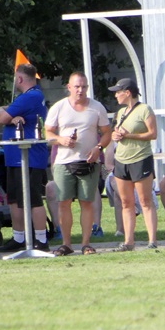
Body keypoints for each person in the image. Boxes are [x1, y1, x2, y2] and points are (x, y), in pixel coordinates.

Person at [44, 72, 111, 256]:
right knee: (63, 202)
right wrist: (61, 140)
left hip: (89, 162)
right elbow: (48, 134)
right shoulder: (59, 107)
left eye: (84, 86)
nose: (80, 90)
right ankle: (66, 244)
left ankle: (86, 244)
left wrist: (98, 148)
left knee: (86, 203)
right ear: (69, 87)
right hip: (64, 162)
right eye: (77, 86)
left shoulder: (97, 107)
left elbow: (107, 133)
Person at [0, 63, 50, 253]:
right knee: (14, 199)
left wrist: (4, 113)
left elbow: (1, 117)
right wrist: (9, 115)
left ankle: (41, 239)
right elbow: (3, 113)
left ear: (19, 79)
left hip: (29, 157)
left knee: (33, 199)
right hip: (15, 157)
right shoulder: (26, 97)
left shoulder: (31, 96)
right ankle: (19, 237)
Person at [109, 78, 159, 251]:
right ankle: (128, 242)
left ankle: (152, 241)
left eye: (118, 92)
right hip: (121, 161)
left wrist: (129, 135)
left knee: (145, 200)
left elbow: (153, 134)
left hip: (140, 159)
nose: (116, 95)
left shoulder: (145, 109)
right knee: (126, 202)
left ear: (127, 92)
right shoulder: (120, 112)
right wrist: (115, 135)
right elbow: (115, 133)